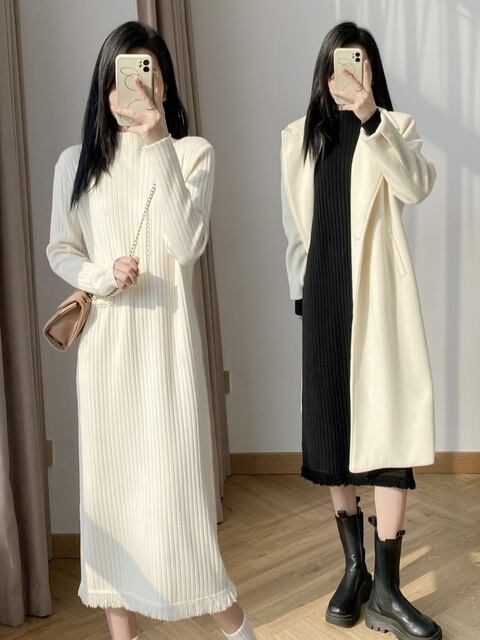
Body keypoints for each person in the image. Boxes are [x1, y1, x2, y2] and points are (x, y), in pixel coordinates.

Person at [46, 21, 256, 640]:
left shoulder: (192, 154)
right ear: (105, 85)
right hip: (105, 356)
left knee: (178, 510)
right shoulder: (74, 164)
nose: (137, 87)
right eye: (125, 75)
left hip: (167, 352)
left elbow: (187, 245)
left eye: (149, 74)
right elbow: (60, 249)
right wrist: (102, 274)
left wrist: (158, 139)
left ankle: (240, 630)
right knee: (110, 507)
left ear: (164, 84)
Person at [280, 21, 442, 640]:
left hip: (378, 301)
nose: (348, 71)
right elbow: (295, 229)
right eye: (339, 63)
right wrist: (301, 299)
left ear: (372, 70)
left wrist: (371, 117)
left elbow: (416, 186)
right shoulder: (297, 137)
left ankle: (388, 592)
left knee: (389, 438)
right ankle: (355, 569)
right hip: (323, 301)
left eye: (360, 61)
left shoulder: (394, 128)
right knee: (333, 435)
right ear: (324, 73)